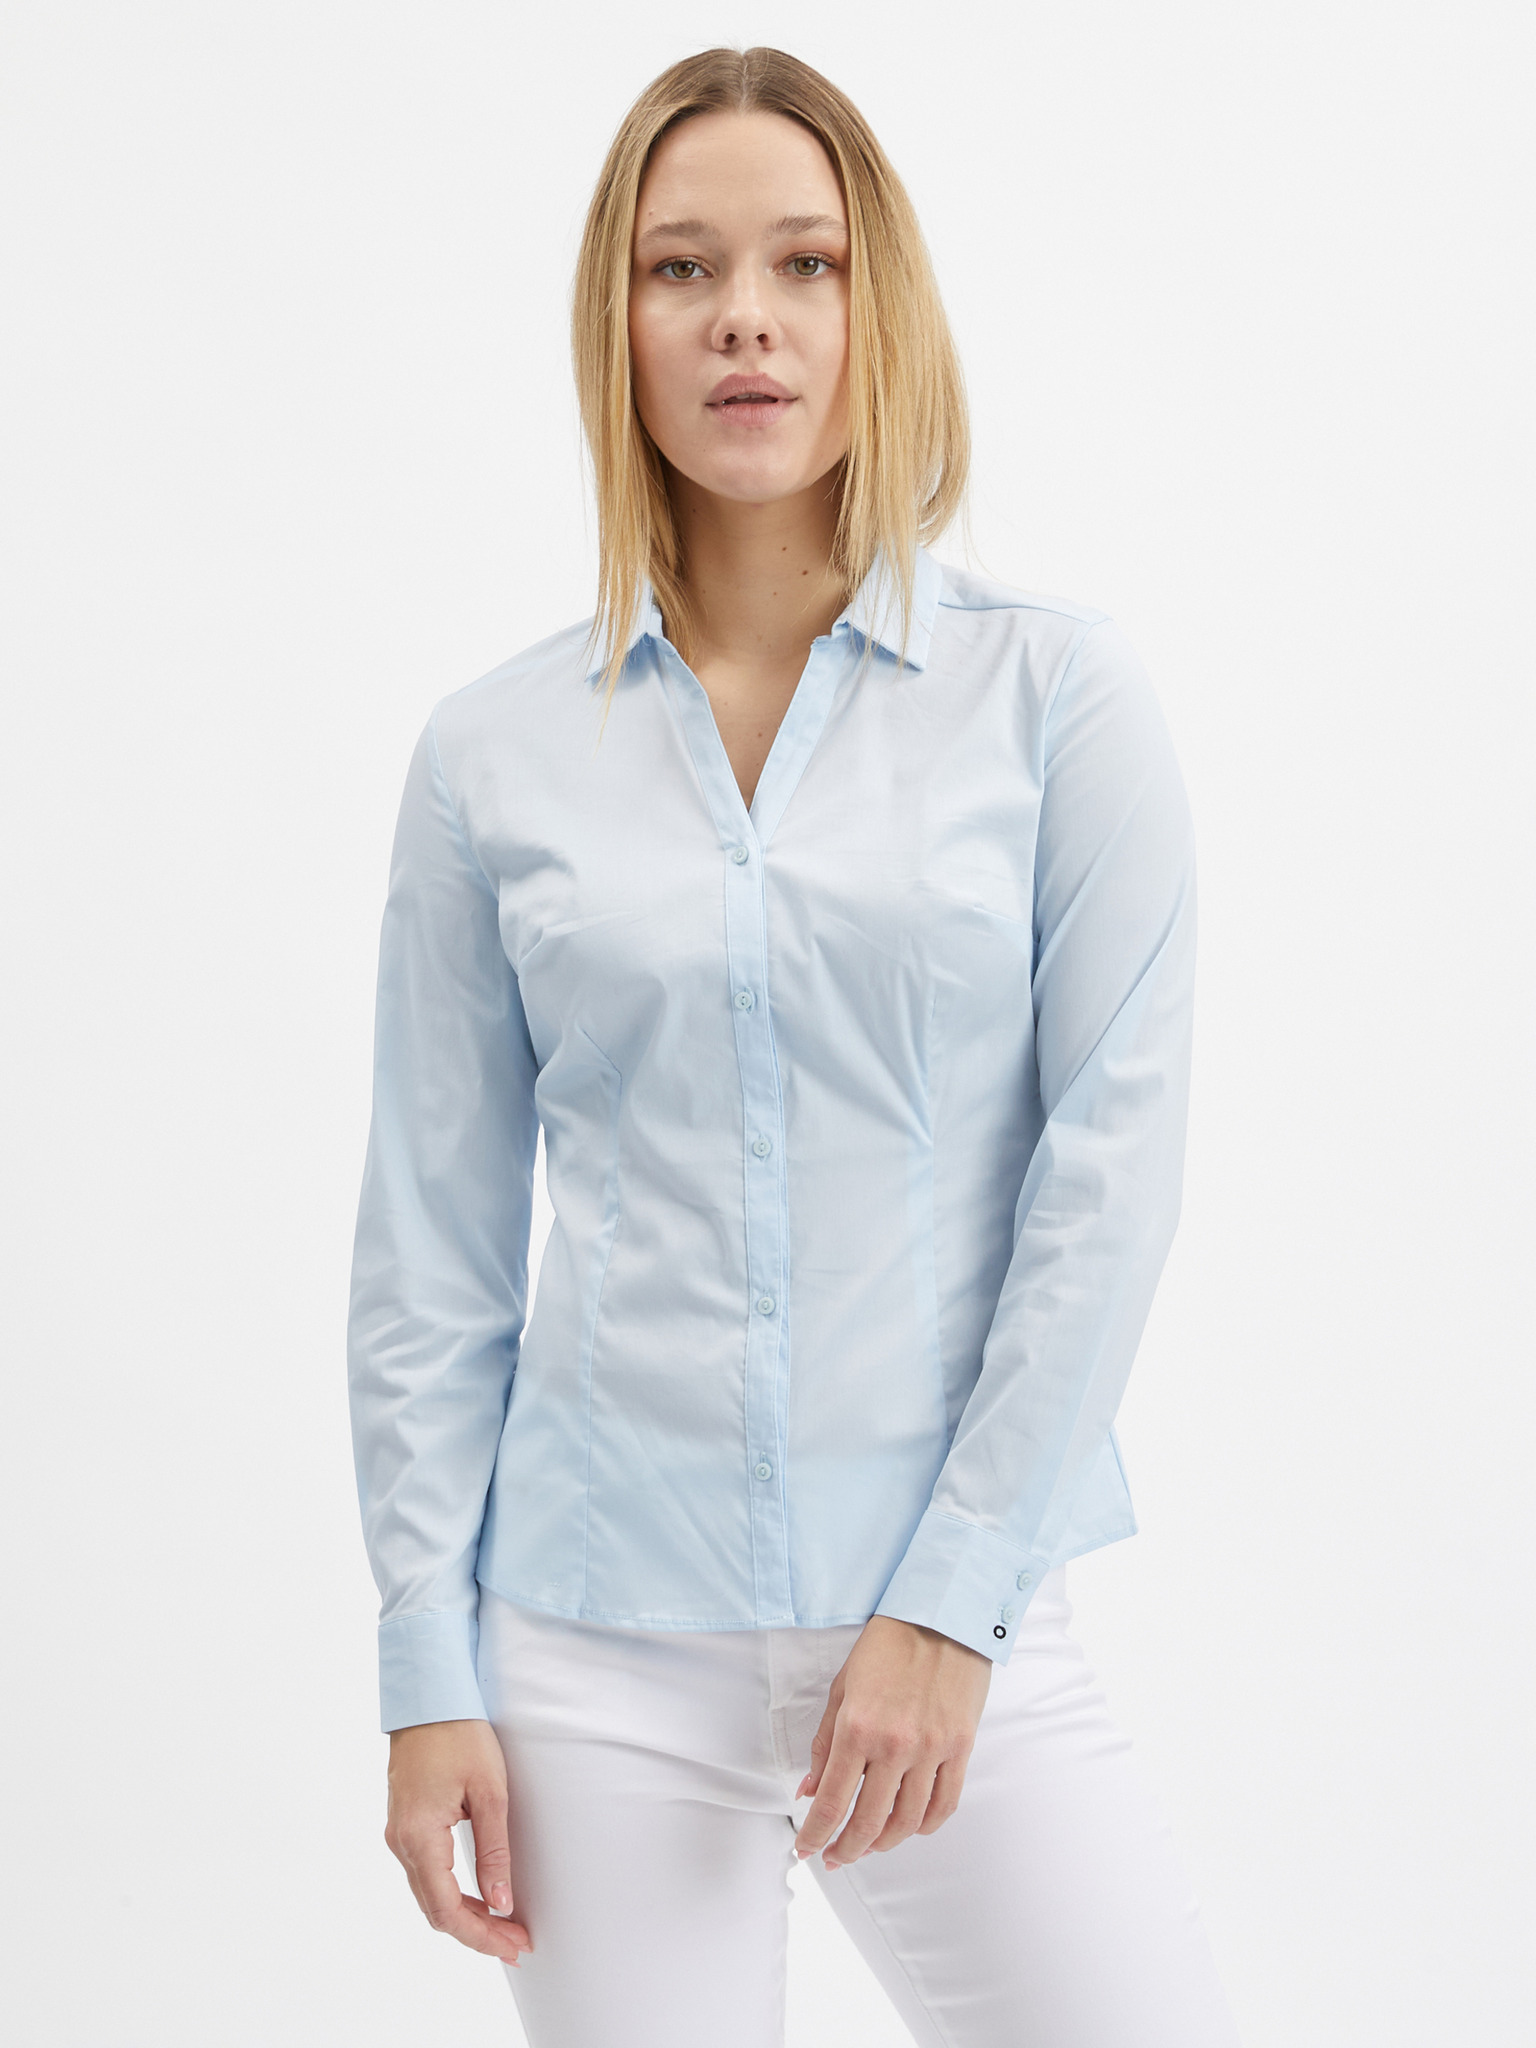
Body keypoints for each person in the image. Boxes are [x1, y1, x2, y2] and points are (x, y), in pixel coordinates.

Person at [348, 44, 1241, 2048]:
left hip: (954, 1630)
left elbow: (1108, 1180)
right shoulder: (492, 756)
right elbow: (433, 1246)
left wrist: (952, 1603)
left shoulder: (1057, 702)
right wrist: (427, 1664)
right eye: (681, 267)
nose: (742, 315)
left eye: (802, 263)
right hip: (591, 1653)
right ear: (619, 325)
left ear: (874, 307)